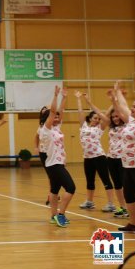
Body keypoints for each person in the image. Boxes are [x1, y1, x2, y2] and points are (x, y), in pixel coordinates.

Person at [74, 92, 116, 211]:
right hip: (87, 157)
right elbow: (80, 113)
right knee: (90, 180)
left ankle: (111, 203)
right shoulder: (83, 126)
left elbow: (106, 115)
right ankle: (89, 202)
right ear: (90, 119)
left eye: (98, 118)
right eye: (95, 118)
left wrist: (113, 102)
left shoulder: (100, 128)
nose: (97, 120)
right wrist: (78, 99)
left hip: (99, 157)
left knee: (105, 179)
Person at [41, 86, 75, 228]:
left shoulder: (56, 128)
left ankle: (53, 216)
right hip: (54, 164)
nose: (56, 117)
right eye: (53, 116)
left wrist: (65, 98)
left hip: (56, 163)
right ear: (48, 118)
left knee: (54, 190)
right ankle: (61, 214)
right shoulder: (46, 129)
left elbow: (60, 112)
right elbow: (54, 111)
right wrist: (55, 96)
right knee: (71, 188)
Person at [109, 81, 135, 232]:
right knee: (129, 194)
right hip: (127, 164)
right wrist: (117, 92)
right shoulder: (131, 121)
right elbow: (122, 107)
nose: (132, 109)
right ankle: (134, 223)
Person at [106, 104, 128, 218]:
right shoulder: (111, 127)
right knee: (117, 185)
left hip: (122, 159)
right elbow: (104, 115)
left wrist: (117, 103)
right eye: (113, 117)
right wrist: (113, 104)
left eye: (117, 116)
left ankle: (130, 208)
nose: (115, 118)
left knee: (126, 184)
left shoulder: (127, 126)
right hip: (111, 158)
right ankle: (123, 208)